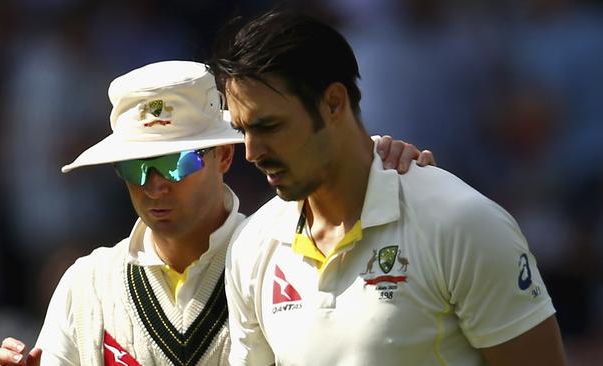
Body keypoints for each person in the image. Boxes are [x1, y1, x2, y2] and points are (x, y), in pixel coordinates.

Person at [0, 60, 433, 366]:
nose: (155, 185)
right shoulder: (88, 283)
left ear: (224, 156)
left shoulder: (286, 258)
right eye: (134, 167)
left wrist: (387, 170)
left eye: (178, 162)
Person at [208, 9, 567, 366]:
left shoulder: (462, 223)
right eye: (243, 131)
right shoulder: (252, 245)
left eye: (269, 126)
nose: (252, 152)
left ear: (334, 103)